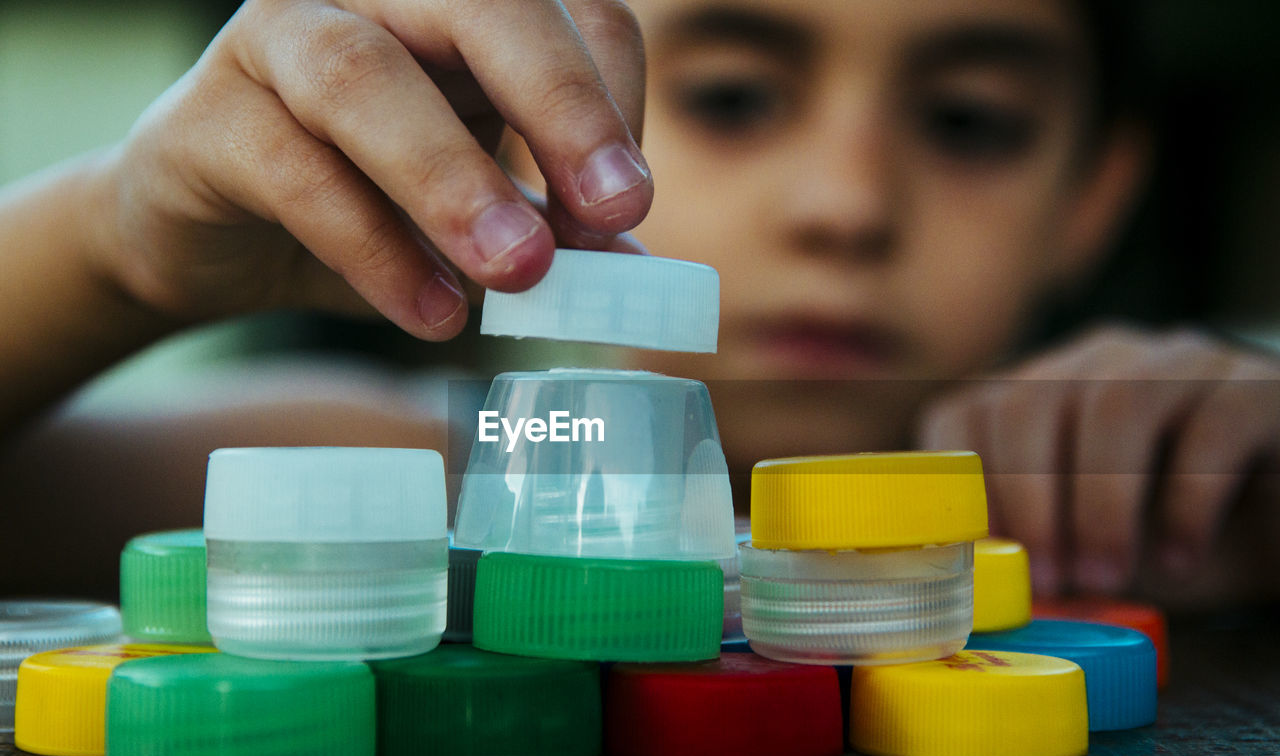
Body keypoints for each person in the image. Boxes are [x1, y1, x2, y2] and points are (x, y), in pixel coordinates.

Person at [0, 0, 1276, 608]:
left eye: (965, 122)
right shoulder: (423, 484)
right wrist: (117, 250)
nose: (844, 204)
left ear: (1093, 194)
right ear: (510, 119)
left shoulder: (1167, 488)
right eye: (730, 97)